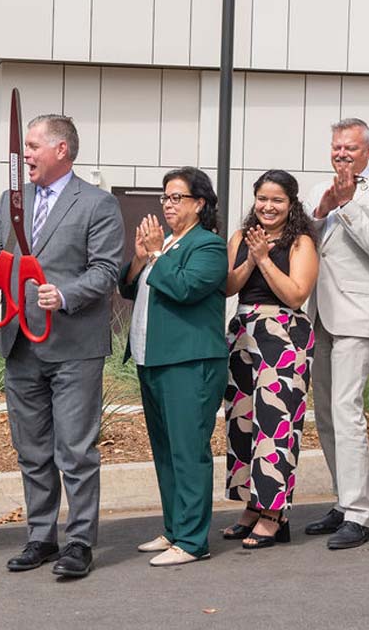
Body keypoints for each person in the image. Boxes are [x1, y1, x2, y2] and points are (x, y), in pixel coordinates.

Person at [0, 114, 124, 579]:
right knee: (32, 449)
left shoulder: (97, 204)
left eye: (34, 146)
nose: (26, 155)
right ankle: (41, 535)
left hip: (73, 344)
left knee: (75, 451)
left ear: (62, 150)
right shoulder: (10, 200)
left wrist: (65, 295)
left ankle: (79, 542)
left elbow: (106, 270)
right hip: (20, 341)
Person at [303, 118, 369, 550]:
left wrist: (346, 207)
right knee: (324, 414)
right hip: (319, 312)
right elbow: (305, 243)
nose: (342, 154)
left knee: (347, 412)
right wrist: (323, 210)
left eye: (351, 148)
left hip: (357, 313)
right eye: (337, 147)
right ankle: (343, 503)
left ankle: (361, 514)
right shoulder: (317, 189)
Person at [119, 167, 229, 567]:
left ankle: (194, 540)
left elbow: (184, 289)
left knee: (188, 451)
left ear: (199, 203)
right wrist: (140, 256)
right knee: (165, 452)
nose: (167, 204)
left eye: (176, 197)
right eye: (164, 197)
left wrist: (153, 255)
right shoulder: (164, 243)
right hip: (153, 359)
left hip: (190, 362)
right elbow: (129, 286)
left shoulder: (209, 247)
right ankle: (174, 528)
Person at [222, 170, 318, 549]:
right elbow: (228, 286)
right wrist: (250, 258)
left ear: (291, 204)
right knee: (242, 420)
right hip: (243, 328)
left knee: (275, 422)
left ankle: (274, 512)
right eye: (262, 198)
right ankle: (251, 504)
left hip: (283, 331)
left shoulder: (301, 242)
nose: (268, 206)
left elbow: (296, 295)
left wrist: (264, 258)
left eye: (277, 199)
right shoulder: (240, 238)